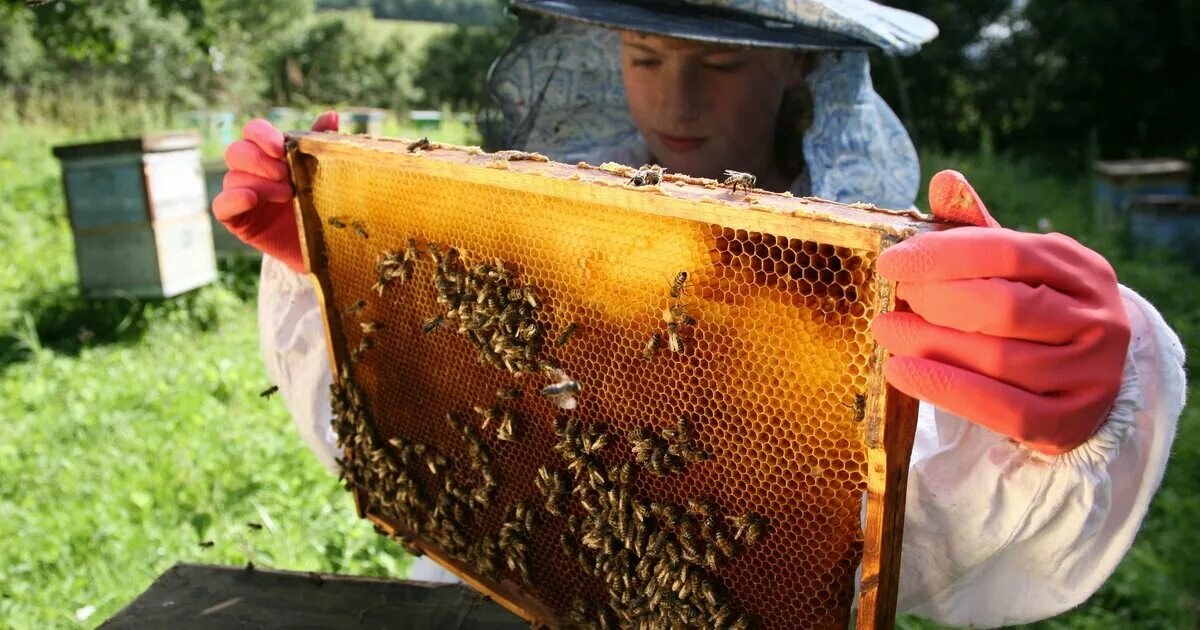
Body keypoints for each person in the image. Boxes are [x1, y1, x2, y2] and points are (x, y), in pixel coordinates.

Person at [212, 1, 1186, 626]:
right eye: (644, 57)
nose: (673, 99)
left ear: (796, 66)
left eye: (718, 65)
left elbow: (928, 546)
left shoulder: (865, 269)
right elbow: (433, 437)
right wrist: (347, 273)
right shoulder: (542, 215)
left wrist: (1070, 413)